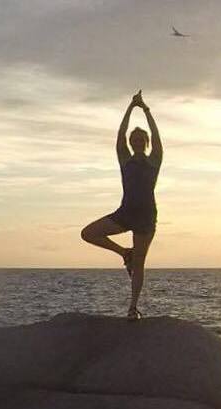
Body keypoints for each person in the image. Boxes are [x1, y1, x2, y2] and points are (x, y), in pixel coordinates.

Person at [80, 91, 163, 319]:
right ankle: (124, 253)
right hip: (125, 212)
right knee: (88, 233)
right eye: (133, 140)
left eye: (140, 140)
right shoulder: (125, 159)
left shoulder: (154, 160)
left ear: (145, 143)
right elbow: (120, 134)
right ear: (130, 143)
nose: (137, 142)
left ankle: (132, 307)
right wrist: (130, 107)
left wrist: (145, 109)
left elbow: (156, 137)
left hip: (146, 217)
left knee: (140, 263)